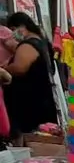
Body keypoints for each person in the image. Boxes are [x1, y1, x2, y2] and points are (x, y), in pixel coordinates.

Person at [2, 12, 57, 140]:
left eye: (13, 30)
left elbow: (20, 68)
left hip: (28, 101)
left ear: (23, 26)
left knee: (28, 135)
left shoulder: (28, 44)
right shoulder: (42, 42)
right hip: (41, 98)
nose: (13, 33)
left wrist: (4, 69)